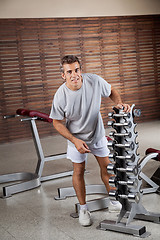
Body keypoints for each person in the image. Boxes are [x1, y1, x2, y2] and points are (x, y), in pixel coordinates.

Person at [49, 55, 131, 227]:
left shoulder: (94, 81)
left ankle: (114, 201)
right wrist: (74, 140)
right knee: (78, 171)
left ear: (81, 69)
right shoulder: (60, 95)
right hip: (75, 138)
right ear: (63, 75)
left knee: (107, 167)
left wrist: (119, 104)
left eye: (77, 70)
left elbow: (112, 92)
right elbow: (56, 122)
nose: (74, 74)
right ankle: (84, 209)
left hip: (97, 133)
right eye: (69, 71)